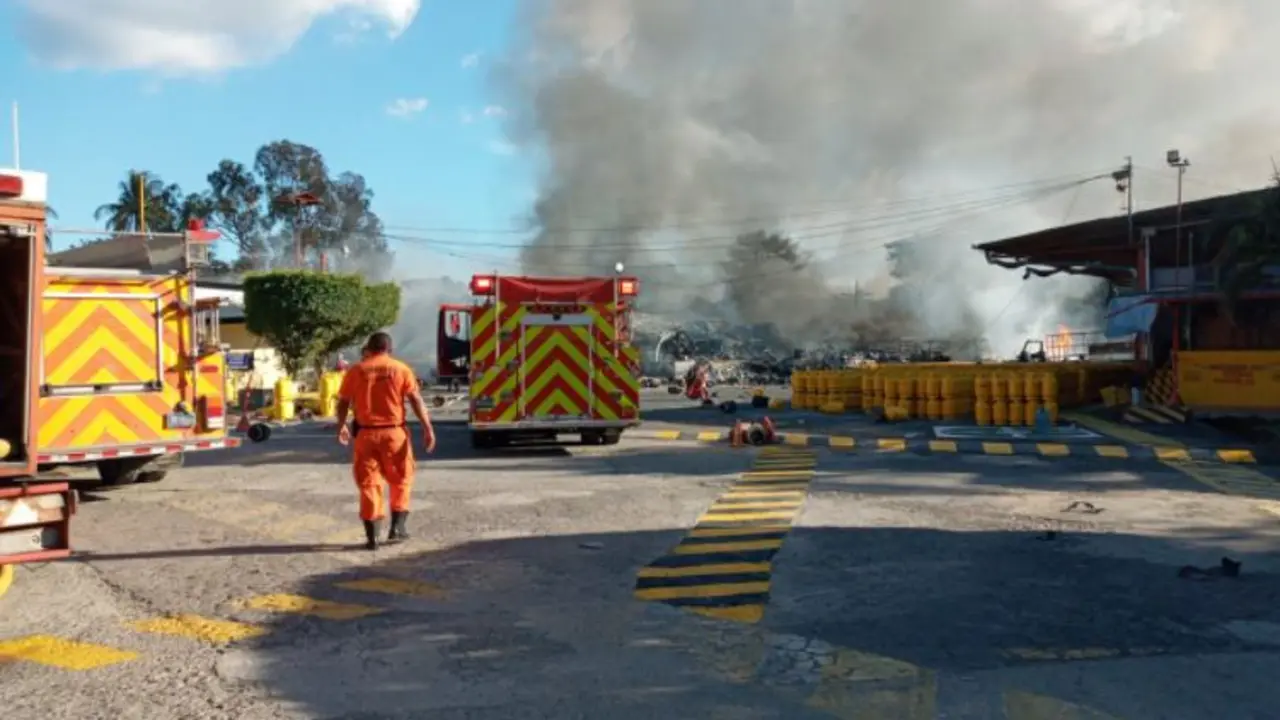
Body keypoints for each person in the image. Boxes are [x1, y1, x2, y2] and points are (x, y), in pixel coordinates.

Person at [335, 332, 436, 550]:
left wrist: (341, 425)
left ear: (369, 349)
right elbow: (415, 399)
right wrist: (427, 428)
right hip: (394, 434)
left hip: (365, 435)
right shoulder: (400, 369)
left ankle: (372, 536)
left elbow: (343, 402)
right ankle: (397, 528)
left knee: (369, 483)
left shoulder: (356, 370)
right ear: (389, 350)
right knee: (401, 479)